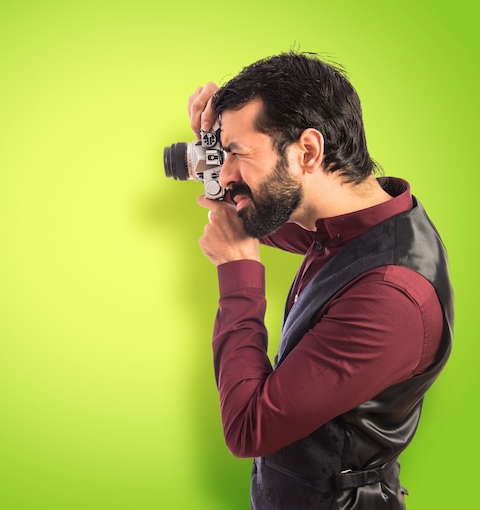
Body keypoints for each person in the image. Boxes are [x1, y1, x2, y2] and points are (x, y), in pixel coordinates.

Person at [185, 51, 454, 509]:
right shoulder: (354, 219)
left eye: (236, 155)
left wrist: (237, 272)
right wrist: (217, 145)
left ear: (307, 150)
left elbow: (249, 428)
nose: (226, 175)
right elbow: (266, 210)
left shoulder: (389, 294)